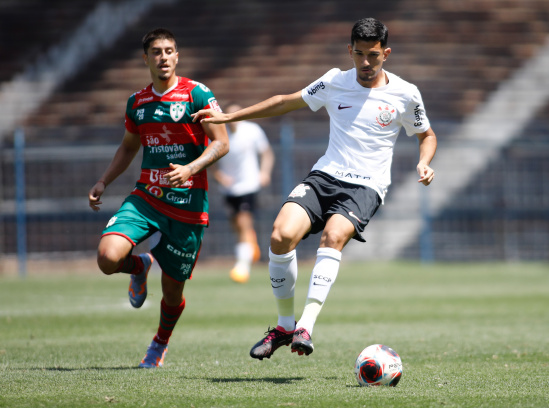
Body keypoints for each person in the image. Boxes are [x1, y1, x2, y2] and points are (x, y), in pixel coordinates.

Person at [192, 17, 437, 360]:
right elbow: (284, 101)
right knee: (280, 235)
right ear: (349, 51)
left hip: (366, 186)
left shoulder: (405, 93)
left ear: (386, 54)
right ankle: (284, 326)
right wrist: (229, 118)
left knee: (333, 236)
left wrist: (424, 161)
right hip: (325, 176)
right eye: (360, 54)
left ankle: (306, 325)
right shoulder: (335, 81)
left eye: (374, 55)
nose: (366, 63)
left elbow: (426, 134)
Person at [88, 28, 229, 368]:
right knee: (107, 258)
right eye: (156, 51)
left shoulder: (197, 94)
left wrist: (190, 168)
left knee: (172, 291)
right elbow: (128, 146)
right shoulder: (137, 103)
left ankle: (159, 343)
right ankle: (140, 265)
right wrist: (104, 180)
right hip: (146, 198)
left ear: (177, 56)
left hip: (189, 205)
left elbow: (221, 142)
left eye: (169, 51)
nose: (163, 57)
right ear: (146, 58)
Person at [213, 103, 275, 283]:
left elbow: (267, 153)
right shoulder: (218, 133)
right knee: (236, 225)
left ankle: (242, 266)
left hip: (248, 185)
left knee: (243, 221)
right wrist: (220, 176)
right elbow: (211, 159)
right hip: (229, 188)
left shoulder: (252, 130)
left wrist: (264, 173)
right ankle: (250, 247)